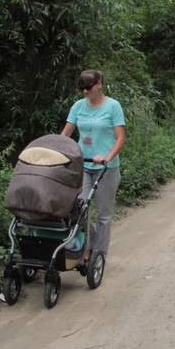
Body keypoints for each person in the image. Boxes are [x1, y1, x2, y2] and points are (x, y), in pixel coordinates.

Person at [60, 69, 126, 260]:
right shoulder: (78, 107)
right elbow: (65, 135)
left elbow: (120, 138)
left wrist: (106, 157)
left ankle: (98, 255)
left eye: (88, 87)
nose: (85, 91)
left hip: (107, 168)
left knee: (103, 215)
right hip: (83, 165)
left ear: (99, 84)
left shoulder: (113, 106)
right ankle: (90, 244)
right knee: (78, 208)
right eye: (82, 88)